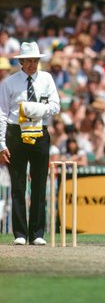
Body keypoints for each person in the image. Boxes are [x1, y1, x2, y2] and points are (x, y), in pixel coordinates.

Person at [0, 42, 60, 245]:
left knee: (39, 184)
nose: (33, 64)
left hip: (40, 131)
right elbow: (2, 113)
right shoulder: (9, 82)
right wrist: (1, 144)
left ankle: (37, 233)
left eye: (35, 60)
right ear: (21, 62)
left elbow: (55, 105)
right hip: (16, 133)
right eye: (29, 61)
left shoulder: (46, 79)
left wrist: (35, 110)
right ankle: (20, 234)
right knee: (18, 185)